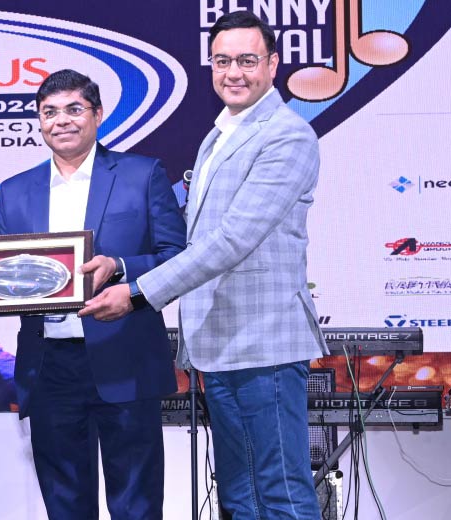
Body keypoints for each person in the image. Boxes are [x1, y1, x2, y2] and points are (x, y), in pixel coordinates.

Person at [79, 11, 328, 519]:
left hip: (264, 344)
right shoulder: (218, 135)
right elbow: (197, 240)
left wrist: (139, 293)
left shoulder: (287, 135)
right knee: (238, 496)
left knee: (280, 492)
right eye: (222, 61)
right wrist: (123, 267)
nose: (233, 72)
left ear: (273, 64)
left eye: (247, 60)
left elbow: (233, 239)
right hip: (219, 344)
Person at [0, 69, 186, 519]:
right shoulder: (14, 191)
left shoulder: (142, 174)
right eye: (49, 112)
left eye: (74, 109)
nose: (61, 120)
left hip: (125, 353)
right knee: (64, 505)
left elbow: (178, 257)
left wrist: (120, 269)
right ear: (39, 122)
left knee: (136, 505)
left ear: (97, 115)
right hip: (48, 366)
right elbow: (3, 276)